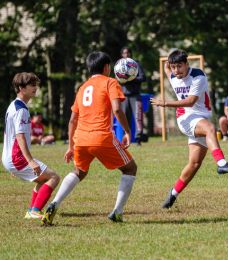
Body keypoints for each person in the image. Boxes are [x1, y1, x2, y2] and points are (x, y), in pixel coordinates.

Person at [42, 51, 137, 225]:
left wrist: (71, 146)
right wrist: (128, 132)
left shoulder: (83, 87)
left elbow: (72, 120)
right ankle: (117, 212)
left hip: (81, 138)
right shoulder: (111, 82)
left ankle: (54, 203)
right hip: (101, 137)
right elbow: (117, 109)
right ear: (107, 67)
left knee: (79, 172)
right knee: (130, 169)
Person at [150, 49, 228, 209]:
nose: (175, 71)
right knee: (210, 128)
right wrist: (170, 61)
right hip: (185, 119)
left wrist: (166, 103)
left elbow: (191, 101)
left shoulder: (198, 76)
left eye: (179, 66)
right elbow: (167, 69)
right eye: (173, 67)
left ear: (187, 64)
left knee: (194, 164)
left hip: (198, 117)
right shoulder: (173, 75)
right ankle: (222, 163)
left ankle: (172, 195)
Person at [1, 72, 60, 220]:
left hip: (10, 158)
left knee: (43, 179)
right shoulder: (21, 110)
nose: (35, 88)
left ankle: (31, 211)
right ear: (21, 87)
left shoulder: (13, 105)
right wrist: (30, 161)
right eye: (32, 85)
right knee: (54, 177)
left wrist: (10, 163)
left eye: (36, 85)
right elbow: (20, 136)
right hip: (17, 157)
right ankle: (34, 211)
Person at [120, 47, 147, 145]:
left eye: (128, 53)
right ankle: (126, 139)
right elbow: (117, 79)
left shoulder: (136, 65)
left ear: (131, 54)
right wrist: (123, 79)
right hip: (124, 96)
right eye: (124, 53)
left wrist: (132, 78)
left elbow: (143, 77)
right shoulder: (120, 66)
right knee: (125, 119)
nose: (126, 55)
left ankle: (138, 139)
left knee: (138, 117)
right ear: (122, 55)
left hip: (135, 95)